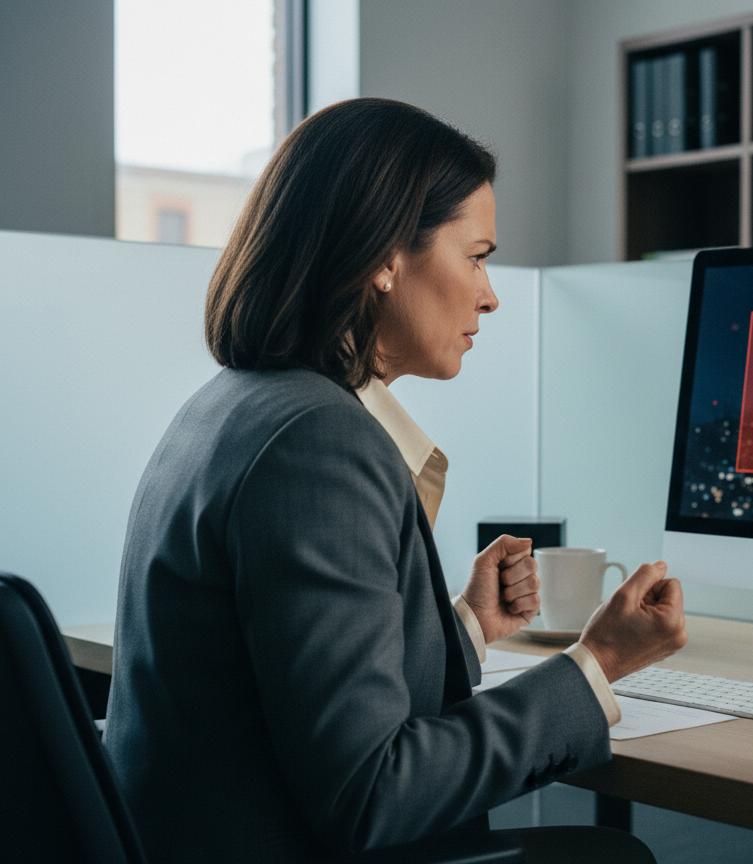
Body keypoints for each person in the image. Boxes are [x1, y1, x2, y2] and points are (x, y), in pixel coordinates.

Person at [103, 98, 688, 864]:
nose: (490, 293)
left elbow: (296, 689)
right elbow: (373, 793)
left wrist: (467, 626)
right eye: (476, 255)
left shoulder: (232, 406)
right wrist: (597, 665)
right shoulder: (318, 443)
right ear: (383, 257)